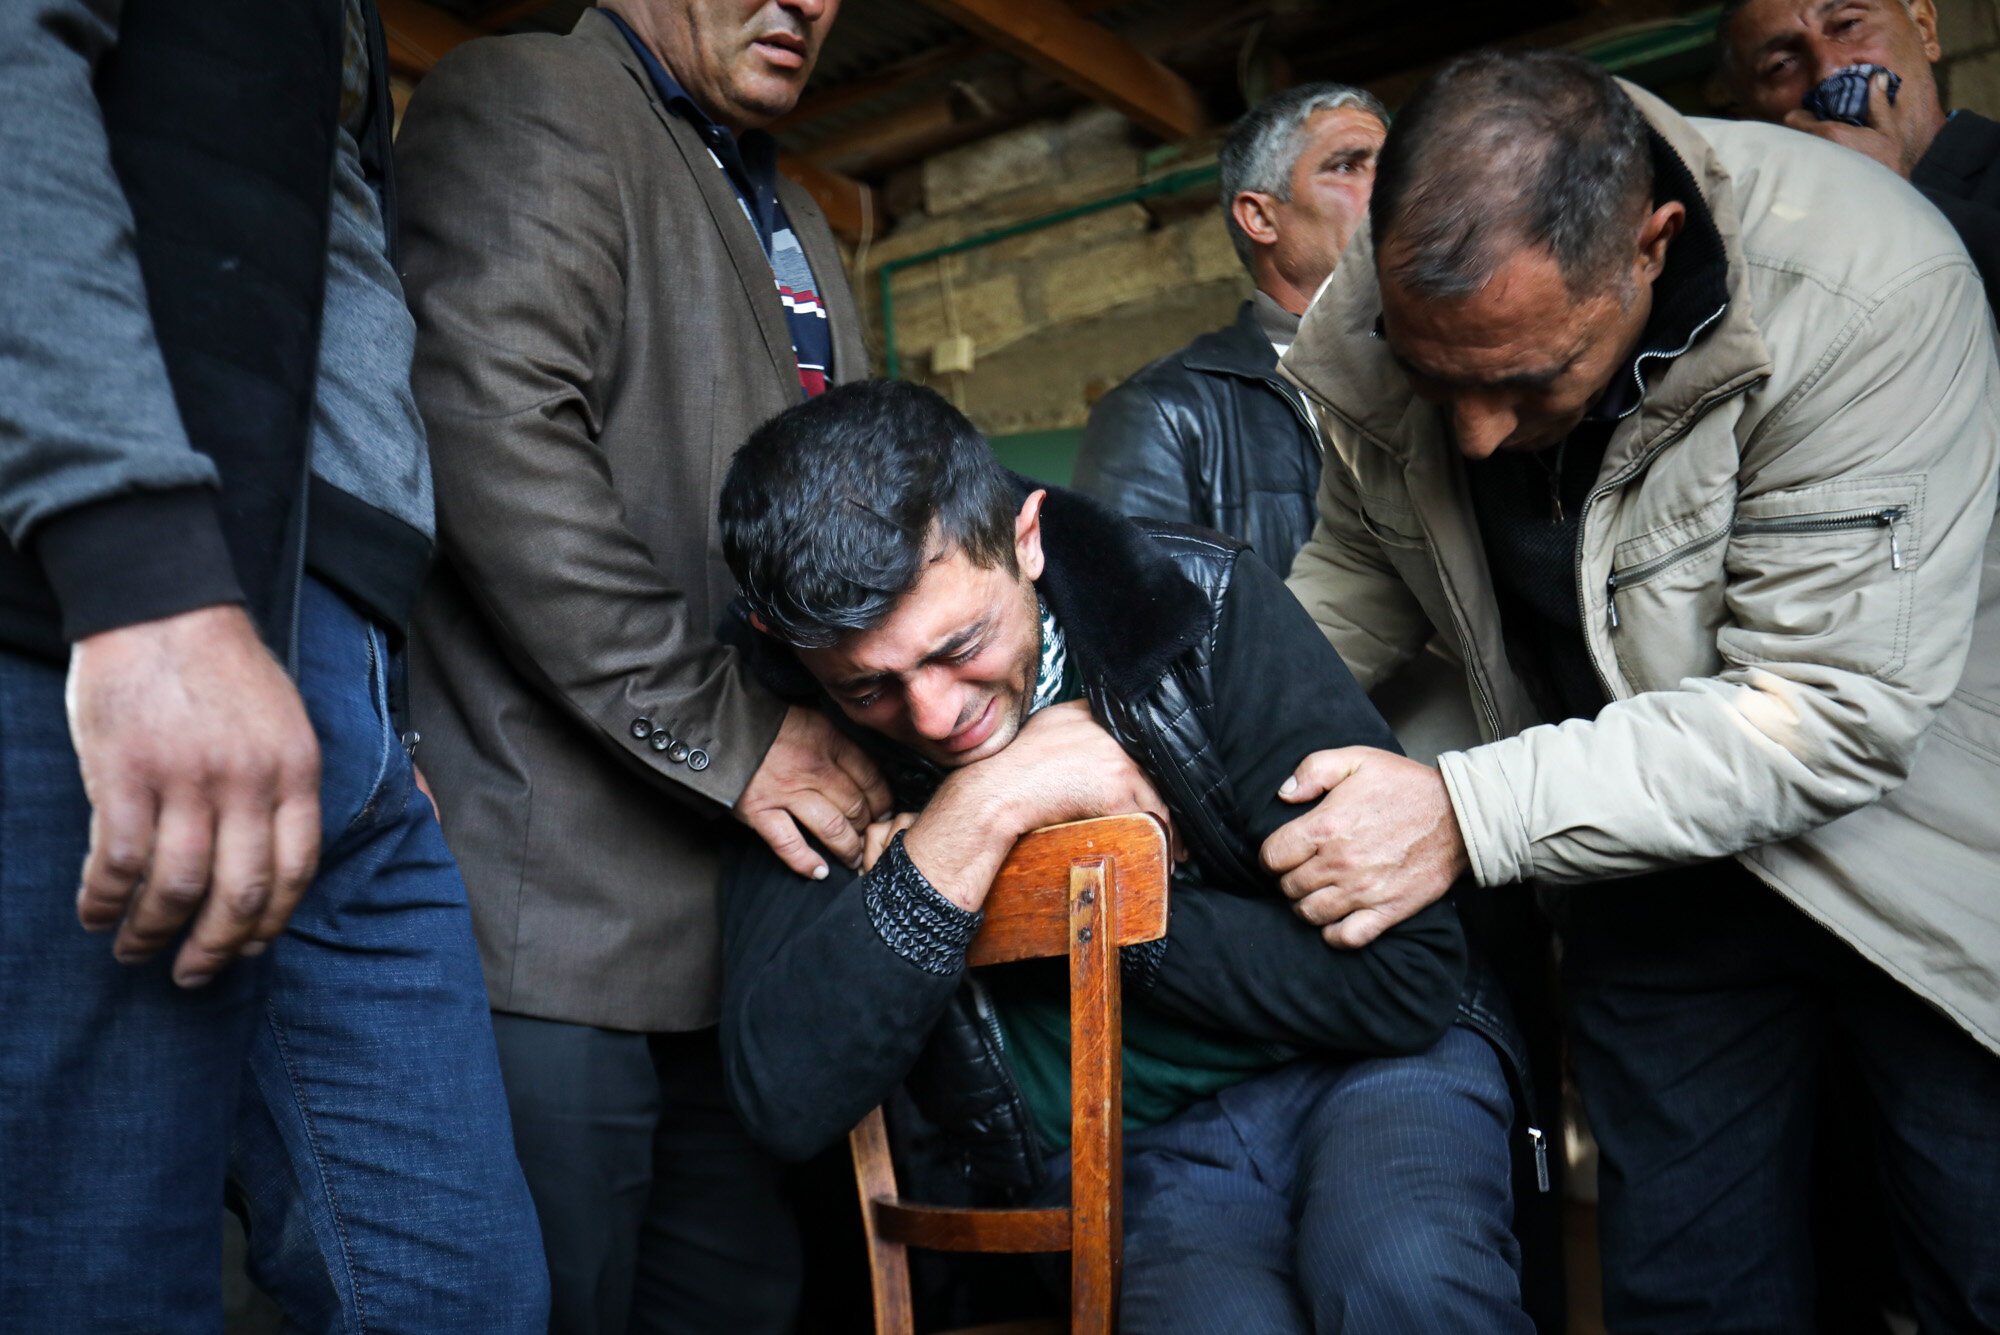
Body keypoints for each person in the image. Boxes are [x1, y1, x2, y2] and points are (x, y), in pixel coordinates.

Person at [1273, 50, 2000, 1331]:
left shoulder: (1863, 284)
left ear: (1649, 248)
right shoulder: (1377, 321)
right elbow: (1356, 574)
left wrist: (1461, 813)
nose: (1478, 440)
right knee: (1686, 1292)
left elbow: (1825, 709)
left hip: (1910, 869)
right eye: (1440, 384)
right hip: (1638, 876)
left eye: (1524, 382)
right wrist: (1171, 728)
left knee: (1965, 1258)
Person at [713, 379, 1538, 1334]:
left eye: (962, 644)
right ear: (794, 649)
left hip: (1371, 1069)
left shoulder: (1203, 610)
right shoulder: (796, 737)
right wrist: (982, 811)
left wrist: (1111, 902)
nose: (936, 715)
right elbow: (781, 1095)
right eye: (871, 688)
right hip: (1126, 1153)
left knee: (1405, 1279)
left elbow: (1407, 984)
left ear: (1028, 538)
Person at [0, 0, 548, 1329]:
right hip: (102, 636)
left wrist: (373, 687)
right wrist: (142, 574)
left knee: (465, 1291)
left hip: (334, 689)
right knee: (101, 1278)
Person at [393, 1, 885, 1330]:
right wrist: (735, 736)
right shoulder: (527, 96)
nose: (803, 4)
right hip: (559, 936)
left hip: (745, 949)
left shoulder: (805, 218)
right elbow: (492, 439)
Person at [1074, 83, 1387, 573]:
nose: (1392, 188)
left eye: (1393, 167)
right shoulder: (1162, 415)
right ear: (1260, 217)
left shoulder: (1451, 372)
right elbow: (1146, 635)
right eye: (1348, 166)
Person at [1719, 0, 2000, 304]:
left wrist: (1887, 192)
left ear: (1924, 29)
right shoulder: (1765, 261)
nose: (1829, 69)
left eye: (1848, 25)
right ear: (1751, 121)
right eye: (1782, 64)